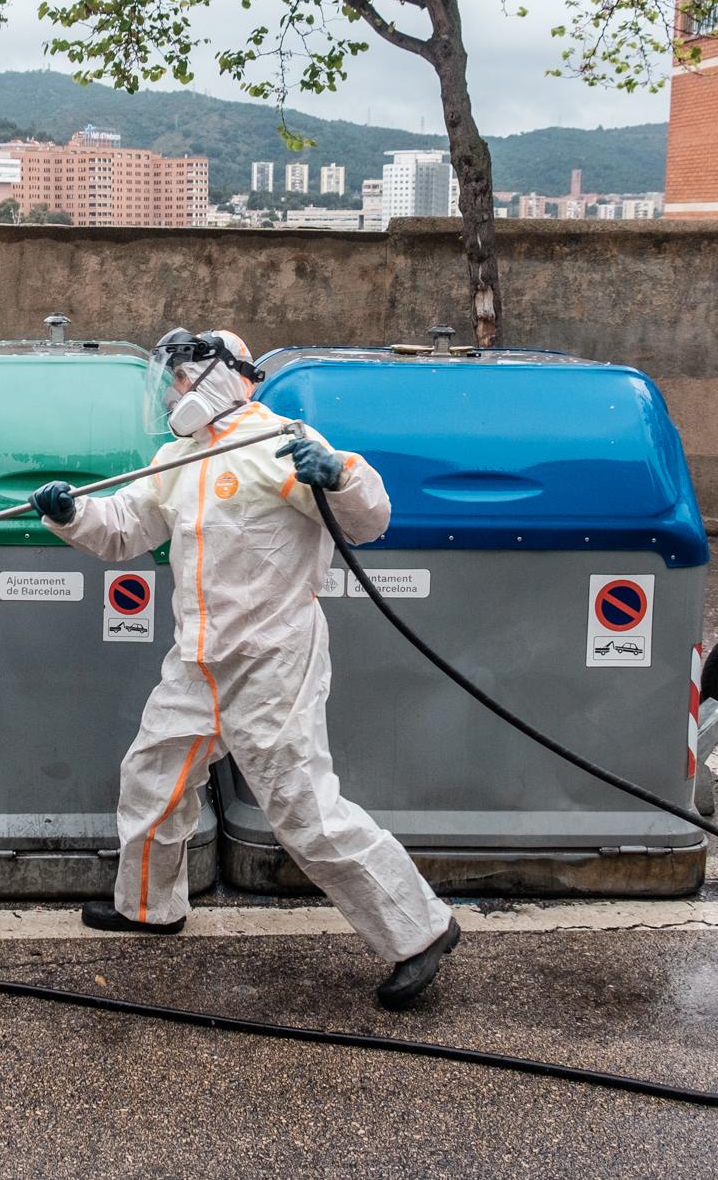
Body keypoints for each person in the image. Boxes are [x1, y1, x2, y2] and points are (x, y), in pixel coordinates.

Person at [30, 328, 460, 1010]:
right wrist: (73, 512)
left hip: (272, 661)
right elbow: (123, 530)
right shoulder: (176, 458)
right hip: (198, 658)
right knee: (153, 776)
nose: (172, 393)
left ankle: (420, 930)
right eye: (169, 381)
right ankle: (149, 904)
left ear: (221, 376)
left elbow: (369, 517)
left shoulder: (280, 443)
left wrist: (341, 473)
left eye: (179, 379)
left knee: (303, 810)